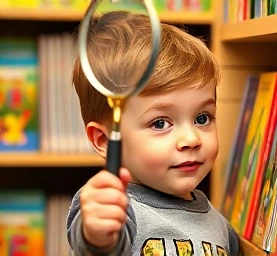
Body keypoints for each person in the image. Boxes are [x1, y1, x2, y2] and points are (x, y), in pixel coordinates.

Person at [66, 11, 240, 256]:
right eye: (160, 124)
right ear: (104, 140)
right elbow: (98, 246)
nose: (191, 139)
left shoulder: (219, 225)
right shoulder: (117, 208)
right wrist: (96, 234)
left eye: (202, 118)